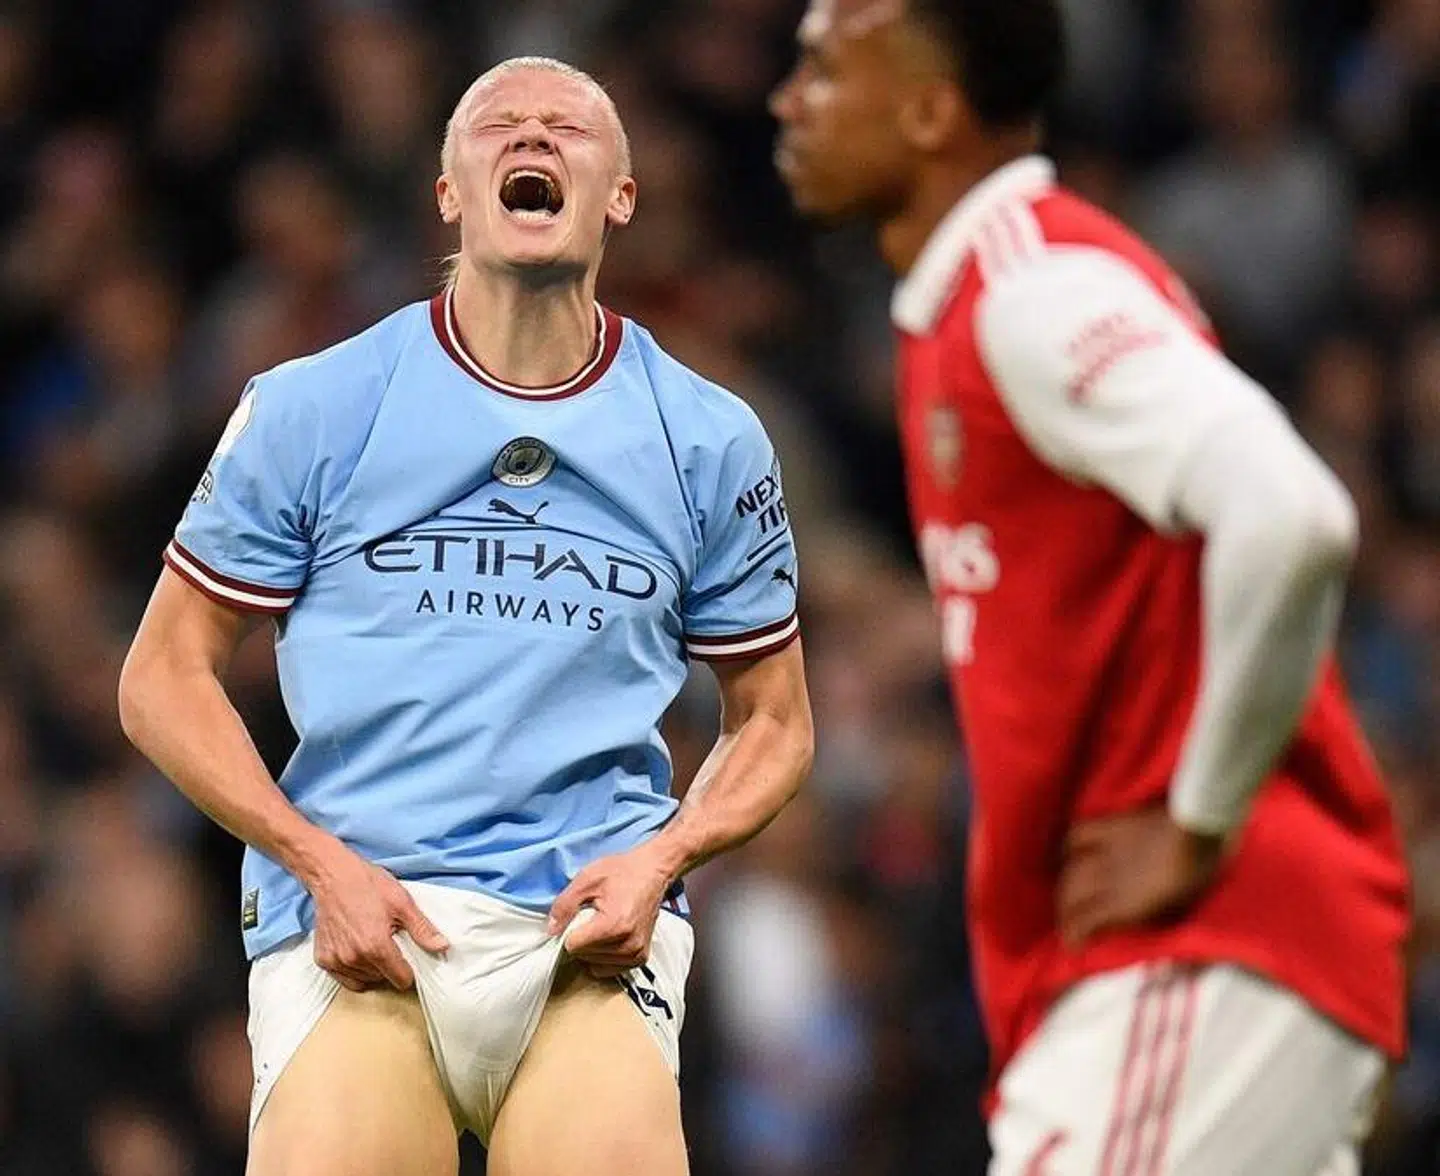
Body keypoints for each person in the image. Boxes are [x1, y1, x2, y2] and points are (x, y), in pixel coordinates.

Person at [118, 56, 813, 1176]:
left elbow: (774, 720)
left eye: (569, 129)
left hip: (585, 937)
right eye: (498, 125)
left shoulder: (709, 437)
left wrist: (667, 855)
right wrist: (313, 861)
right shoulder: (316, 405)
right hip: (361, 926)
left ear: (620, 195)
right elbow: (161, 677)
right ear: (450, 192)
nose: (532, 139)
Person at [771, 2, 1409, 1173]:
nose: (787, 101)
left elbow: (1294, 512)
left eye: (822, 69)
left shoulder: (1036, 289)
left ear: (928, 109)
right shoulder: (963, 313)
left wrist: (1199, 819)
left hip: (1203, 941)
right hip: (1162, 970)